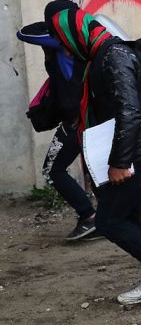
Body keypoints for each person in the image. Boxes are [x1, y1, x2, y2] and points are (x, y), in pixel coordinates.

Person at [43, 0, 141, 304]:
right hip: (140, 150)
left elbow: (130, 112)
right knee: (139, 215)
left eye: (63, 42)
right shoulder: (100, 55)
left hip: (137, 154)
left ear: (75, 34)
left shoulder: (113, 56)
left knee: (108, 220)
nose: (65, 50)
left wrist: (119, 162)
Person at [17, 17, 100, 241]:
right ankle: (109, 217)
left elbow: (24, 33)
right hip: (86, 116)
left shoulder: (63, 43)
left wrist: (51, 22)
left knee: (53, 170)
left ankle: (89, 217)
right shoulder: (82, 42)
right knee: (96, 168)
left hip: (76, 120)